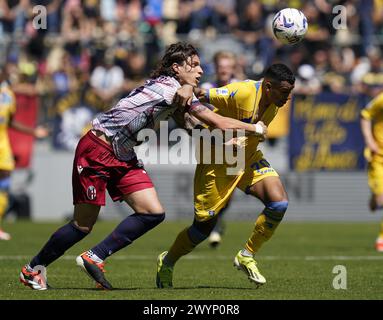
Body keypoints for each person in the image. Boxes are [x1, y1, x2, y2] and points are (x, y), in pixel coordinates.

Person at [19, 42, 266, 290]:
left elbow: (191, 126)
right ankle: (32, 270)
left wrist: (221, 137)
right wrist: (254, 128)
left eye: (201, 65)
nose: (201, 70)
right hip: (97, 148)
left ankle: (94, 257)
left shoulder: (176, 89)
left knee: (152, 213)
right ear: (176, 67)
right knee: (82, 225)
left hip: (123, 154)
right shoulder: (172, 89)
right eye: (194, 65)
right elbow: (216, 120)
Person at [156, 63, 295, 288]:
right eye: (284, 92)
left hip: (247, 157)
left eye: (289, 93)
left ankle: (246, 255)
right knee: (202, 228)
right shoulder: (242, 92)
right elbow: (198, 93)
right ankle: (168, 260)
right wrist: (187, 91)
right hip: (217, 160)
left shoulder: (275, 100)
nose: (287, 98)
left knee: (278, 203)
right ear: (268, 86)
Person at [0, 70, 48, 241]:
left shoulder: (7, 95)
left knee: (5, 182)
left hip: (3, 143)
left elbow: (10, 121)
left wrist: (33, 131)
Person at [201, 50, 240, 248]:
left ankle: (216, 224)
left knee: (229, 192)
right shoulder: (206, 89)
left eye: (227, 66)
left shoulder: (240, 88)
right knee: (211, 190)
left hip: (235, 146)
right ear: (216, 68)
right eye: (220, 66)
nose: (223, 70)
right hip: (211, 144)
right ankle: (214, 224)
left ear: (233, 68)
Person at [360, 91, 383, 252]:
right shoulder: (381, 100)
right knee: (381, 199)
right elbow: (365, 114)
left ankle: (381, 237)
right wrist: (369, 141)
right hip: (379, 156)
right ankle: (375, 199)